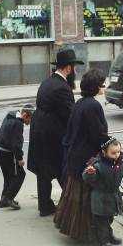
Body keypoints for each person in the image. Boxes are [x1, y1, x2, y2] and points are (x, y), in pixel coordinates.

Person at [53, 68, 109, 242]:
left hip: (75, 156)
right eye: (103, 84)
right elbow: (97, 135)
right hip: (87, 159)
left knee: (76, 198)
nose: (104, 87)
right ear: (96, 86)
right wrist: (112, 146)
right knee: (89, 199)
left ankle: (79, 231)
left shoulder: (80, 102)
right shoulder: (93, 105)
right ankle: (92, 234)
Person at [27, 49, 82, 217]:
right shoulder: (62, 88)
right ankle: (71, 204)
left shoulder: (47, 82)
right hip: (52, 135)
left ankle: (45, 206)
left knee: (44, 172)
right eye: (75, 67)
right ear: (68, 68)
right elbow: (70, 115)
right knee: (61, 169)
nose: (76, 71)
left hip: (40, 131)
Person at [83, 137, 123, 246]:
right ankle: (104, 242)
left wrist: (122, 153)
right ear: (104, 152)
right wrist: (90, 173)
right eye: (113, 153)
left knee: (109, 219)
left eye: (118, 152)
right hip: (100, 199)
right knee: (102, 222)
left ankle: (109, 234)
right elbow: (87, 179)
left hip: (113, 197)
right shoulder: (98, 165)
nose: (117, 155)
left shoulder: (120, 161)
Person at [0, 103, 35, 210]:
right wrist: (20, 158)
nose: (30, 123)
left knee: (8, 176)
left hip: (0, 149)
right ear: (26, 115)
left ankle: (4, 200)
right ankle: (8, 199)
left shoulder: (11, 115)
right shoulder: (18, 124)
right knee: (20, 175)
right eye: (31, 120)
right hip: (8, 153)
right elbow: (16, 144)